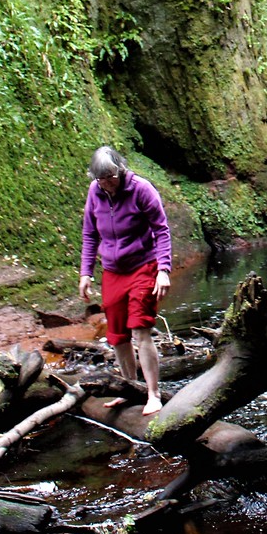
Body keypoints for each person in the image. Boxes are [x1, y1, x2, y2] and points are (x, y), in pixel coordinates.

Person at [79, 146, 171, 415]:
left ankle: (153, 394)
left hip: (143, 266)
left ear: (121, 170)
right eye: (101, 179)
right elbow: (89, 234)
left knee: (140, 329)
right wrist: (86, 272)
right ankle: (130, 389)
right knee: (117, 335)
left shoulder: (141, 189)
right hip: (112, 271)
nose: (107, 184)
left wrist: (163, 269)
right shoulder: (95, 192)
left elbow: (162, 230)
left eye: (110, 178)